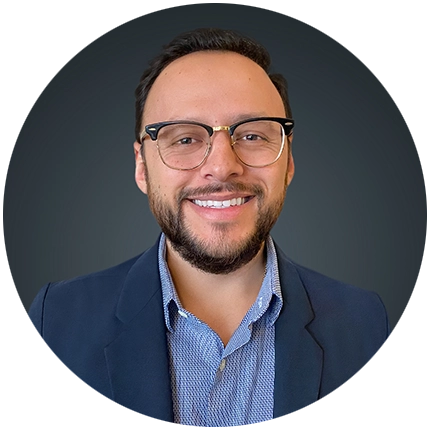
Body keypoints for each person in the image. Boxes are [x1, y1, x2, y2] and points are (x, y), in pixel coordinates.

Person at [25, 28, 392, 427]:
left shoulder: (365, 324)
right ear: (142, 167)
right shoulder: (54, 323)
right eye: (184, 139)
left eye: (252, 134)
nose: (221, 166)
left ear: (287, 162)